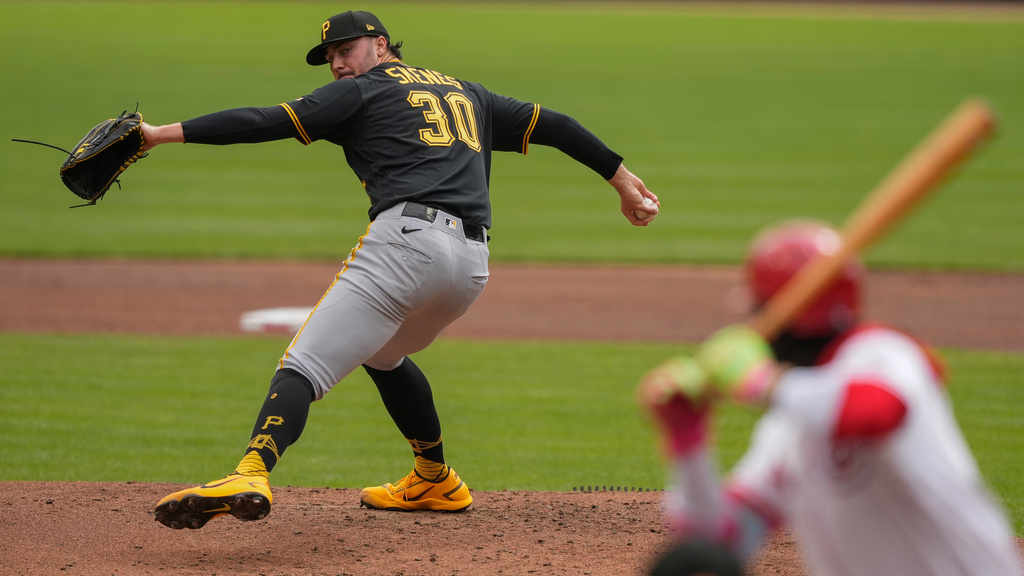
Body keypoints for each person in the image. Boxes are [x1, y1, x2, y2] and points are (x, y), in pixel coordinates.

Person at [147, 10, 658, 530]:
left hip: (409, 245)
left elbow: (262, 121)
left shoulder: (362, 92)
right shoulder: (466, 92)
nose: (339, 64)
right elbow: (555, 125)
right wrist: (622, 180)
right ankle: (435, 478)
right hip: (470, 267)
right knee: (383, 353)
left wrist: (156, 135)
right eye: (330, 57)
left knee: (304, 362)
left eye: (347, 50)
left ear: (381, 44)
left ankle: (250, 472)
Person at [637, 221, 1022, 576]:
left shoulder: (881, 353)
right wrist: (688, 442)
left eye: (759, 310)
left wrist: (762, 383)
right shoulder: (788, 427)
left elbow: (873, 412)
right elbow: (722, 540)